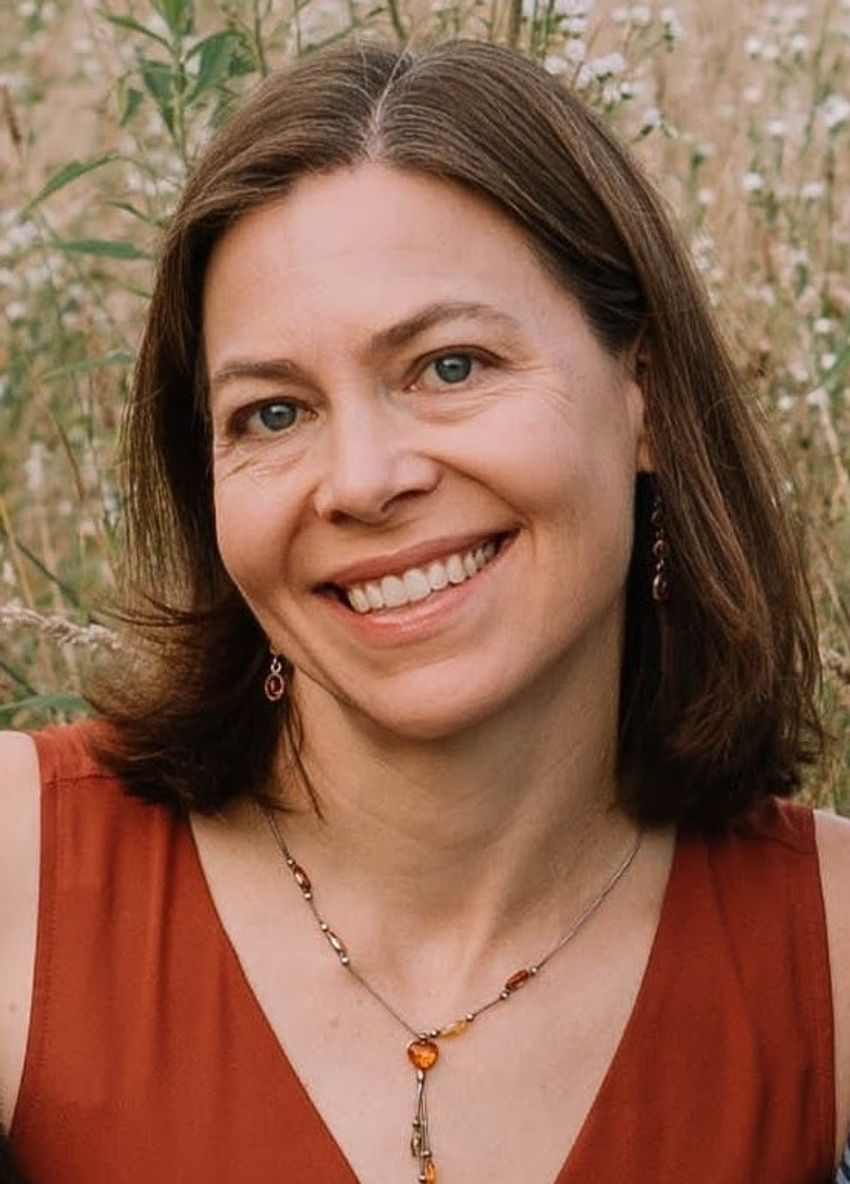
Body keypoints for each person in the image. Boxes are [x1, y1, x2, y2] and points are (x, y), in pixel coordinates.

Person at [0, 37, 848, 1184]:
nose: (361, 479)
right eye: (272, 412)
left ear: (644, 395)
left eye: (450, 366)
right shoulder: (21, 875)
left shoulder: (830, 946)